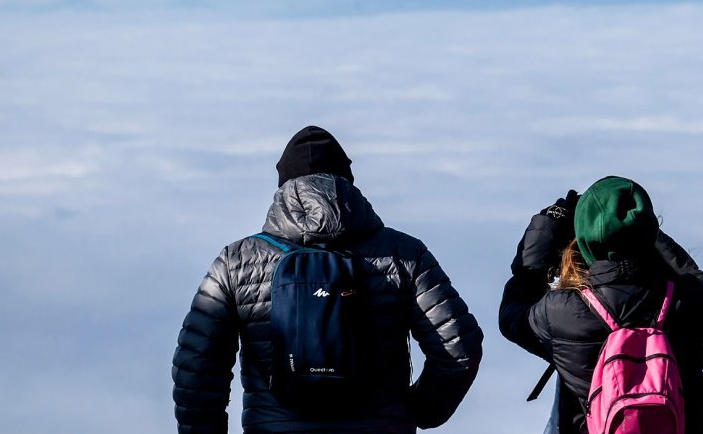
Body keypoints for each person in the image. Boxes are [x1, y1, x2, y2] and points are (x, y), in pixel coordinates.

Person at [173, 126, 483, 434]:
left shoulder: (236, 261)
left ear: (283, 187)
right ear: (348, 183)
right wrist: (418, 412)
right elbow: (459, 346)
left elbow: (197, 368)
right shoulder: (404, 254)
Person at [499, 177, 703, 434]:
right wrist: (641, 229)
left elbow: (512, 314)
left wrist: (546, 228)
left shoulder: (562, 312)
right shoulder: (690, 301)